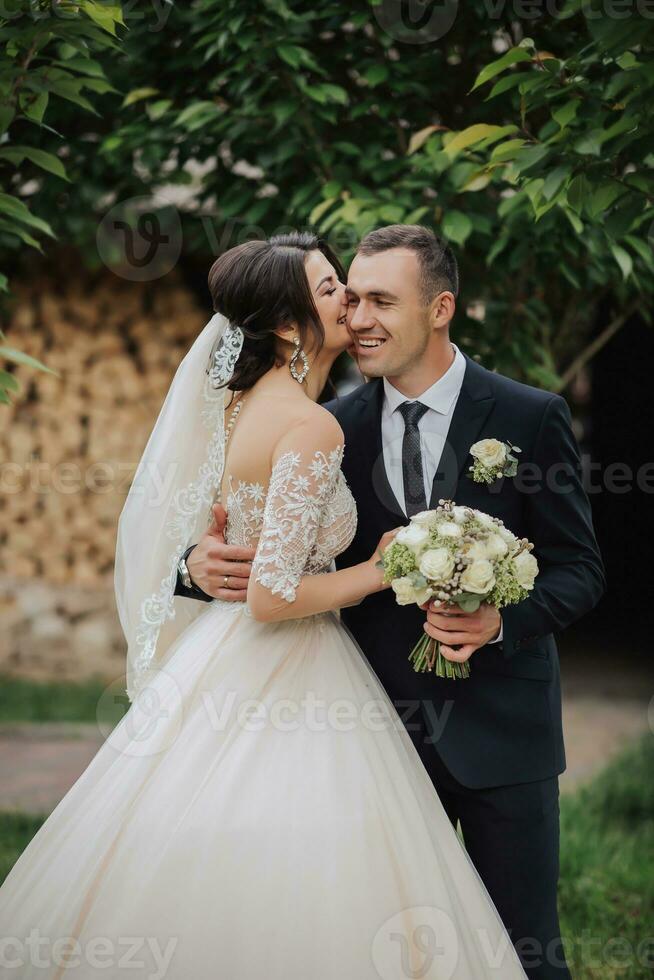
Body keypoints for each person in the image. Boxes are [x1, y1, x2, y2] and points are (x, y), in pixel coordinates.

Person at [0, 232, 528, 979]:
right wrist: (381, 569)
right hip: (291, 658)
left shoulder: (236, 407)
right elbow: (273, 595)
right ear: (288, 325)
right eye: (329, 290)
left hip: (223, 659)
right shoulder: (312, 425)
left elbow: (223, 529)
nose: (348, 300)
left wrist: (203, 551)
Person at [177, 226, 606, 979]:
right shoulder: (327, 426)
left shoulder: (527, 417)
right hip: (369, 737)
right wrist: (193, 563)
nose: (359, 317)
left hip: (506, 736)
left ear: (440, 309)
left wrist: (503, 620)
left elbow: (579, 569)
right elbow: (264, 548)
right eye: (351, 297)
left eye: (381, 300)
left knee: (524, 952)